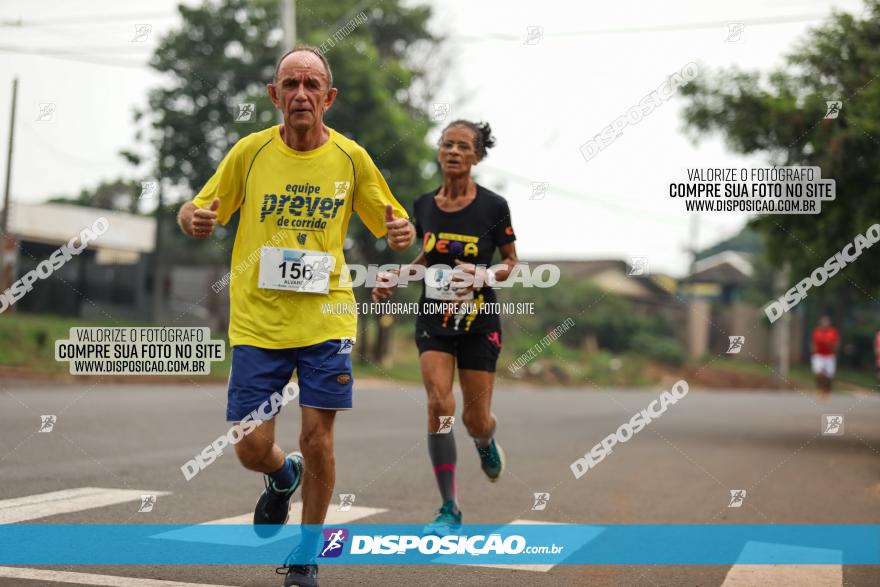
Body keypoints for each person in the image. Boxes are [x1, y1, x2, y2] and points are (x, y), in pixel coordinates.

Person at [177, 46, 414, 587]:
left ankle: (306, 557)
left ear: (328, 97)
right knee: (250, 447)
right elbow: (198, 208)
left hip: (327, 318)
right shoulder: (250, 152)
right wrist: (191, 216)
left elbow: (393, 220)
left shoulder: (352, 158)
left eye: (312, 85)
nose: (301, 94)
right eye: (291, 84)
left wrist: (402, 233)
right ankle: (282, 478)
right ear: (275, 95)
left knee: (319, 439)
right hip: (259, 321)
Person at [372, 120, 518, 535]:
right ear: (439, 151)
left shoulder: (493, 207)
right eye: (446, 144)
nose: (453, 151)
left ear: (476, 156)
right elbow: (426, 258)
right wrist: (397, 277)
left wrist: (483, 277)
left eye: (462, 146)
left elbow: (510, 263)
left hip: (478, 323)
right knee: (439, 406)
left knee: (476, 419)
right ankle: (449, 506)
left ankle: (486, 442)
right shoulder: (423, 205)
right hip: (434, 320)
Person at [811, 315, 839, 399]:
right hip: (819, 355)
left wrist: (831, 346)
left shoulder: (833, 332)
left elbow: (836, 344)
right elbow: (814, 343)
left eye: (826, 323)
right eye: (823, 323)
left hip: (829, 356)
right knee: (818, 373)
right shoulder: (817, 331)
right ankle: (819, 389)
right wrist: (813, 352)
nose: (824, 324)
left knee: (829, 376)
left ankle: (827, 390)